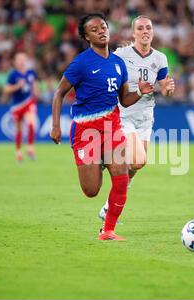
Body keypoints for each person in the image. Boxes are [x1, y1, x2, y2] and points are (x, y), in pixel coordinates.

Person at [50, 13, 154, 241]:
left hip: (112, 128)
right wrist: (56, 126)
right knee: (91, 190)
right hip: (86, 131)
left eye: (103, 27)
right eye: (95, 29)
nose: (101, 31)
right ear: (87, 36)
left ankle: (108, 230)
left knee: (122, 176)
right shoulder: (81, 63)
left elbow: (124, 99)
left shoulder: (118, 63)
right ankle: (100, 162)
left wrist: (139, 92)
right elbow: (59, 93)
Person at [98, 15, 175, 222]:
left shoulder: (160, 58)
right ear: (134, 33)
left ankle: (108, 205)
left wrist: (167, 90)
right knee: (138, 159)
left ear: (153, 32)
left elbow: (164, 87)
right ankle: (107, 157)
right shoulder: (121, 55)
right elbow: (107, 76)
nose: (145, 31)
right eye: (140, 28)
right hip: (124, 114)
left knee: (136, 165)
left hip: (146, 115)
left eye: (148, 28)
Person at [4, 52, 39, 162]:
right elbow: (7, 89)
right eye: (19, 59)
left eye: (23, 59)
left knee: (31, 123)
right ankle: (18, 152)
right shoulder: (13, 75)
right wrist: (17, 86)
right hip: (17, 105)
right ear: (15, 62)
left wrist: (37, 92)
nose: (22, 61)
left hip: (29, 102)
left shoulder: (30, 72)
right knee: (18, 129)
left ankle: (30, 148)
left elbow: (34, 84)